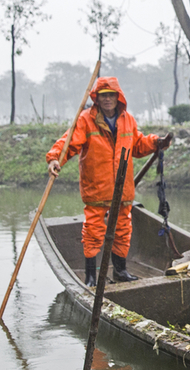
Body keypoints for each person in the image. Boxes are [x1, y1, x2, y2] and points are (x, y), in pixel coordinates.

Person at [46, 76, 171, 286]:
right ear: (96, 98)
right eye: (103, 96)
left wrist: (155, 142)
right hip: (97, 188)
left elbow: (138, 145)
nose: (107, 99)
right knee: (93, 232)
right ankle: (91, 277)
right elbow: (69, 142)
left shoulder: (127, 120)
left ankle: (120, 271)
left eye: (111, 95)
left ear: (118, 97)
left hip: (123, 189)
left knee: (122, 230)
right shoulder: (86, 120)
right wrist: (54, 158)